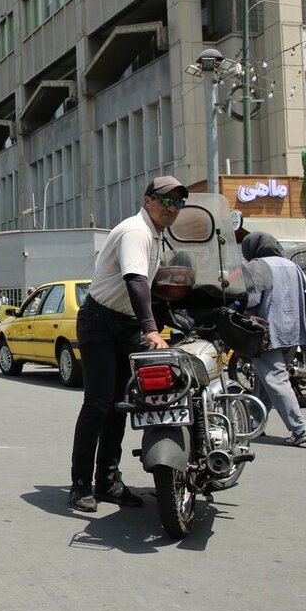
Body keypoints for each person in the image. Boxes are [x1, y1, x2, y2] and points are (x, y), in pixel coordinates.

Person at [68, 176, 188, 512]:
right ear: (148, 200)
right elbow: (135, 281)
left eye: (178, 203)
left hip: (125, 324)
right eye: (166, 200)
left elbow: (152, 290)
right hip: (99, 322)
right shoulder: (136, 231)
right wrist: (151, 329)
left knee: (121, 405)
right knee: (98, 403)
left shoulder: (155, 236)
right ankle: (80, 485)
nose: (172, 208)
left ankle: (107, 480)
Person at [240, 231, 306, 447]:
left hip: (266, 333)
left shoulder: (257, 266)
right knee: (266, 384)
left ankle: (300, 428)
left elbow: (251, 299)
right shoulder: (293, 266)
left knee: (275, 380)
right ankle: (254, 424)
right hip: (293, 333)